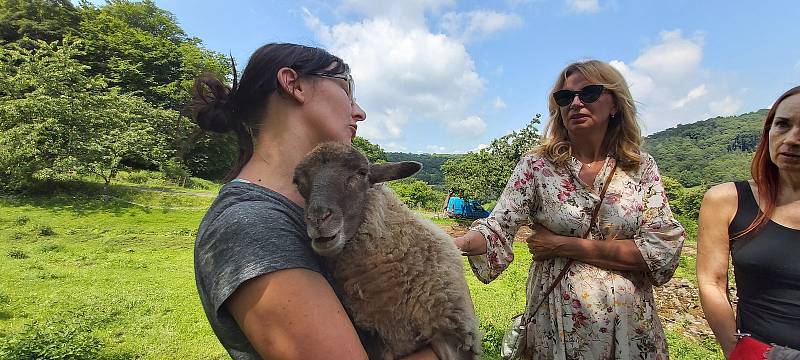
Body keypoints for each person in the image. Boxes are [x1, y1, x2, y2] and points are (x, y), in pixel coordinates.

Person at [189, 43, 438, 360]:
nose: (359, 112)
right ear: (294, 84)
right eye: (347, 89)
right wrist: (452, 344)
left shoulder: (320, 213)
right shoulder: (250, 225)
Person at [453, 60, 685, 359]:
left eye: (589, 94)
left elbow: (661, 249)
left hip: (628, 325)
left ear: (614, 104)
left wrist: (563, 245)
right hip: (558, 322)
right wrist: (451, 244)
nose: (575, 103)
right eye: (565, 98)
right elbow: (497, 227)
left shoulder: (640, 168)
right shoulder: (537, 167)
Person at [697, 86, 800, 358]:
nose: (792, 139)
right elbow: (712, 282)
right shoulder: (726, 200)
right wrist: (738, 350)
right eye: (783, 124)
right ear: (768, 131)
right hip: (760, 351)